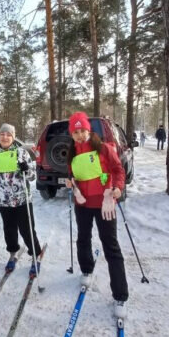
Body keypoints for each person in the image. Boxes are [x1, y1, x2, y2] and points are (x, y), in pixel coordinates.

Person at [65, 111, 129, 318]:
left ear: (88, 130)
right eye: (76, 132)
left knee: (110, 246)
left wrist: (118, 188)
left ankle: (120, 295)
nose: (80, 135)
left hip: (105, 204)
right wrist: (70, 183)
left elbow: (119, 171)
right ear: (71, 134)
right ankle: (86, 269)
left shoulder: (104, 148)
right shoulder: (72, 153)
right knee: (83, 238)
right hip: (82, 204)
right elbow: (72, 175)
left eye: (83, 130)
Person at [0, 123, 42, 275]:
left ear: (13, 137)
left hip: (22, 198)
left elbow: (32, 176)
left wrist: (26, 169)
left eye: (8, 134)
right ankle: (13, 252)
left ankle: (36, 253)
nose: (5, 137)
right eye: (2, 134)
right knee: (9, 229)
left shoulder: (22, 152)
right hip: (3, 200)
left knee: (26, 229)